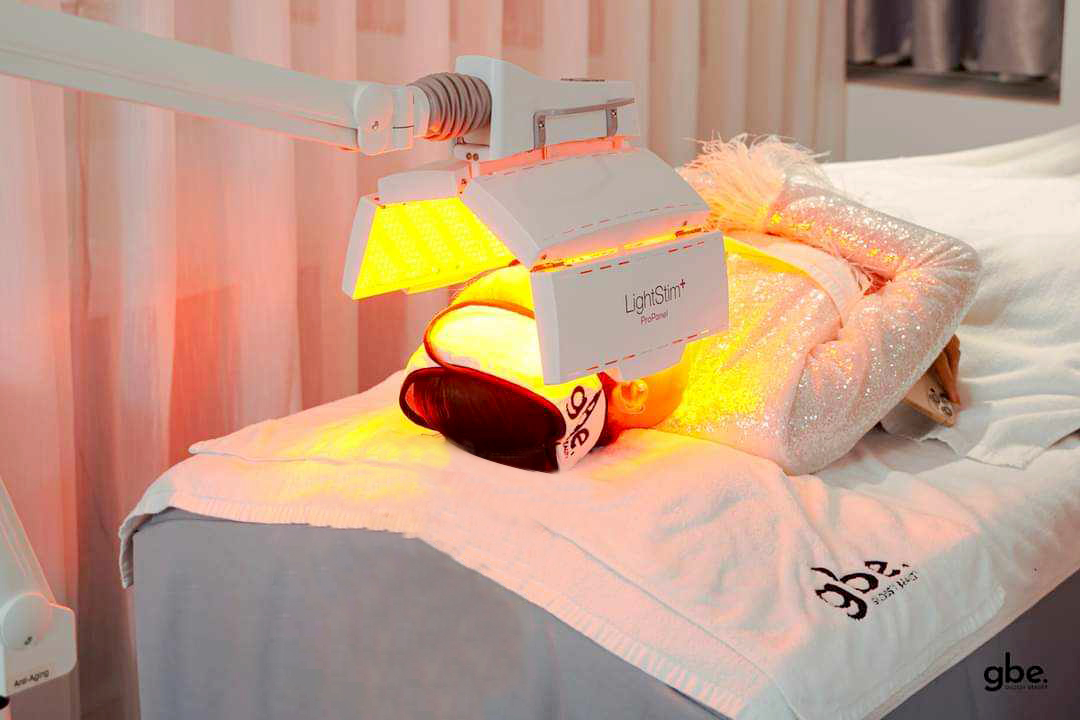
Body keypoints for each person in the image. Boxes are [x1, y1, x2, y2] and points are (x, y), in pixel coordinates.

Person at [399, 137, 980, 474]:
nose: (580, 265)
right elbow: (949, 263)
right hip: (837, 218)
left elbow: (677, 197)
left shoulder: (616, 312)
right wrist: (761, 198)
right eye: (568, 290)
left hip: (800, 198)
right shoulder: (787, 414)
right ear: (630, 388)